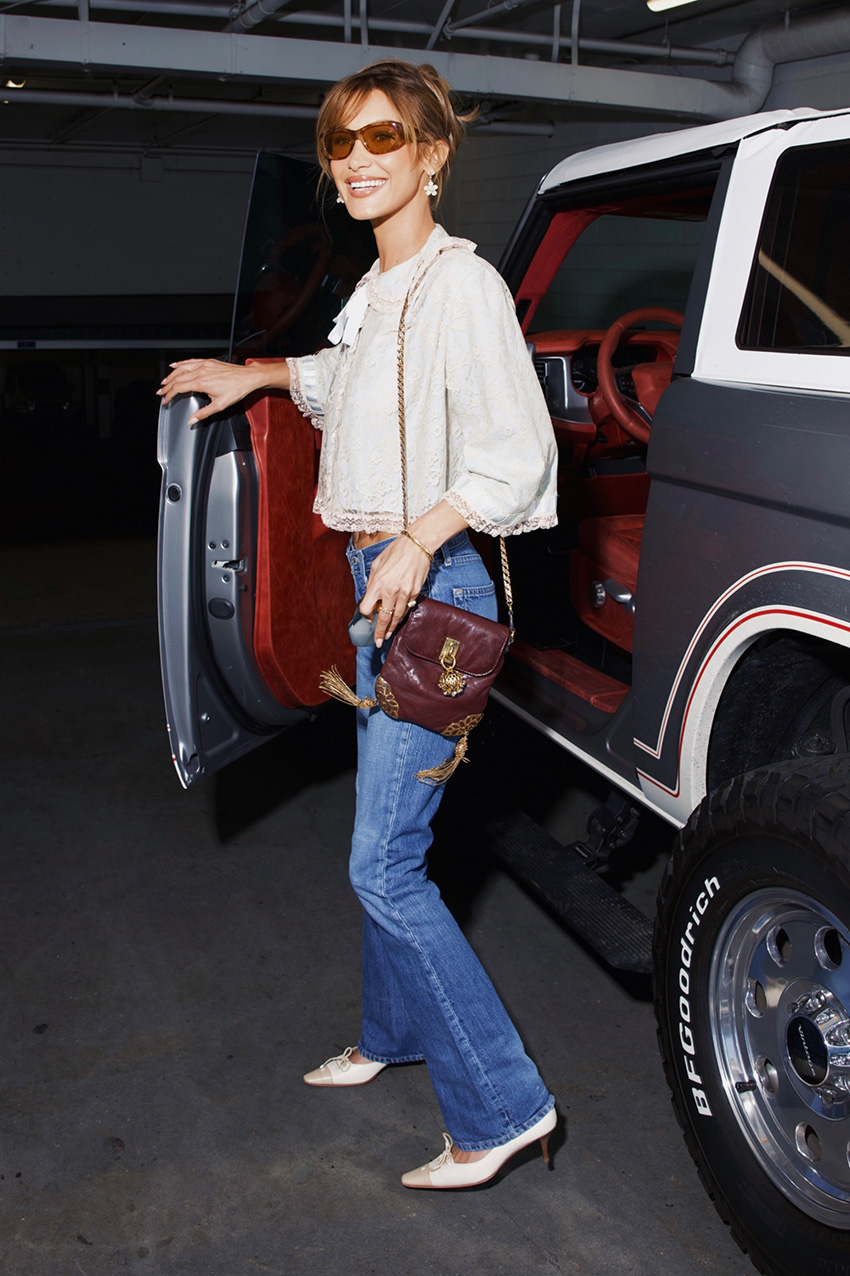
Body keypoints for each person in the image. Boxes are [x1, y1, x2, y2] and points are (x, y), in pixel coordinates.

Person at [159, 58, 558, 1190]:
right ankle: (394, 1035)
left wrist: (423, 538)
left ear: (433, 153)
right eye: (341, 144)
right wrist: (259, 374)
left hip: (431, 592)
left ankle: (504, 1104)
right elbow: (342, 376)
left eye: (383, 138)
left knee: (382, 865)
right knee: (393, 847)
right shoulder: (380, 290)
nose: (358, 161)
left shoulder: (461, 286)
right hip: (380, 582)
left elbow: (518, 456)